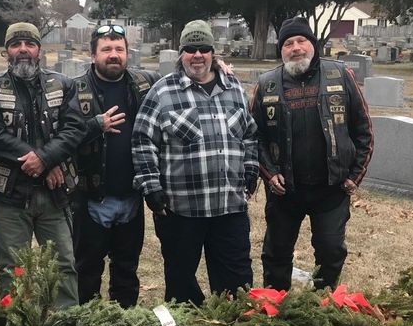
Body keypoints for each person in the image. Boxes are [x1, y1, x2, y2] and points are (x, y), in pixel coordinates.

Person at [131, 19, 258, 305]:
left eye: (203, 48)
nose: (197, 55)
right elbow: (142, 141)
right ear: (181, 52)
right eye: (190, 48)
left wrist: (251, 169)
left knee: (236, 287)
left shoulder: (234, 88)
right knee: (180, 285)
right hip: (180, 210)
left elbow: (250, 134)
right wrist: (151, 186)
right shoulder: (163, 92)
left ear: (213, 52)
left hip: (229, 208)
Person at [252, 16, 373, 291]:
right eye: (289, 43)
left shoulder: (341, 76)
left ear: (313, 45)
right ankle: (275, 309)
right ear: (281, 50)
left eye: (301, 41)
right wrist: (270, 174)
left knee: (331, 253)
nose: (296, 48)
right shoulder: (266, 84)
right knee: (276, 255)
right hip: (285, 192)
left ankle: (323, 305)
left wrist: (356, 175)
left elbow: (363, 128)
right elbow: (254, 137)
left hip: (331, 189)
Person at [0, 22, 87, 308]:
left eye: (30, 44)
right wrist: (40, 160)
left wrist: (47, 158)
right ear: (6, 51)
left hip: (55, 195)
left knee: (64, 266)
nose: (23, 50)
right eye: (16, 44)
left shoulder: (64, 85)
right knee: (13, 271)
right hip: (10, 196)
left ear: (39, 50)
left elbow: (74, 129)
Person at [70, 24, 158, 307]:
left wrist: (217, 65)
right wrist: (96, 126)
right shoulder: (75, 88)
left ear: (127, 54)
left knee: (126, 269)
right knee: (87, 270)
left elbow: (183, 77)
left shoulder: (143, 84)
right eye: (106, 49)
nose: (113, 55)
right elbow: (63, 135)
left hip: (131, 197)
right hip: (91, 197)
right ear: (93, 55)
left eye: (119, 49)